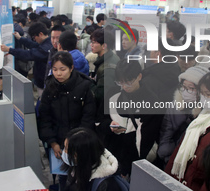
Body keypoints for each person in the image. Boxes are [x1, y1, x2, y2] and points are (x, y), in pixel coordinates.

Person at [38, 52, 96, 190]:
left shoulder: (85, 86)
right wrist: (52, 142)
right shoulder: (49, 88)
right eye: (55, 69)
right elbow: (44, 118)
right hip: (58, 143)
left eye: (62, 69)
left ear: (71, 68)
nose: (58, 73)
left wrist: (75, 144)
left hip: (79, 145)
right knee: (63, 178)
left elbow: (88, 118)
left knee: (81, 180)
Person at [105, 59, 162, 177]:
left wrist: (129, 166)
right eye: (120, 82)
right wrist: (110, 125)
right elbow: (101, 119)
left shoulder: (151, 101)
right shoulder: (113, 93)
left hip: (135, 159)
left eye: (129, 81)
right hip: (112, 155)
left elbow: (147, 139)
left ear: (139, 76)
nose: (124, 86)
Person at [157, 66, 209, 166]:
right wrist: (165, 153)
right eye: (184, 87)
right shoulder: (174, 106)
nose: (186, 91)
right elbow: (165, 131)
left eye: (191, 88)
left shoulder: (205, 113)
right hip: (168, 157)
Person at [63, 127, 129, 191]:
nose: (64, 152)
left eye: (67, 149)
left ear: (82, 154)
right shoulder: (75, 168)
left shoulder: (106, 185)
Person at [1, 22, 53, 97]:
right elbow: (33, 45)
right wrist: (20, 38)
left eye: (34, 37)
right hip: (42, 79)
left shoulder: (46, 48)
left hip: (44, 82)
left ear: (40, 34)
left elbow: (29, 54)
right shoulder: (45, 42)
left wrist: (10, 50)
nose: (34, 40)